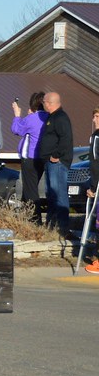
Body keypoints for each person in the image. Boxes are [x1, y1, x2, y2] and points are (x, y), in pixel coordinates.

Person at [36, 91, 73, 236]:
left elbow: (66, 139)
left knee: (59, 194)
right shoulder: (52, 117)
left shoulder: (61, 117)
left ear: (50, 103)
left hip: (57, 163)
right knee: (51, 194)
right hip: (49, 162)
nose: (43, 104)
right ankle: (50, 227)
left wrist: (56, 155)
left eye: (44, 102)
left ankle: (63, 228)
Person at [11, 91, 47, 221]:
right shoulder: (48, 118)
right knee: (30, 188)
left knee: (30, 189)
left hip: (29, 158)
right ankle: (26, 216)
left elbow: (16, 129)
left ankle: (34, 219)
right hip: (42, 159)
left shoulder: (31, 119)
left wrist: (17, 114)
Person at [83, 107, 99, 274]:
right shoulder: (95, 136)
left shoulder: (97, 137)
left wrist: (94, 187)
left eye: (97, 116)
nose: (94, 120)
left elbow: (96, 164)